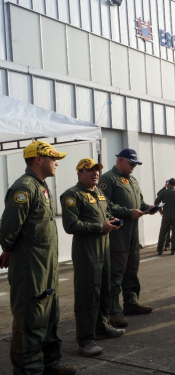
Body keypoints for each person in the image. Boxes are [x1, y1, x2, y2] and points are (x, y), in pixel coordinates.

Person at [0, 141, 77, 375]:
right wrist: (9, 249)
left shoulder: (40, 186)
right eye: (53, 159)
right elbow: (8, 229)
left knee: (49, 316)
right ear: (38, 159)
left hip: (46, 267)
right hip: (31, 268)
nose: (56, 163)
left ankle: (49, 365)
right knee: (31, 320)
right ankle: (29, 370)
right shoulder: (25, 188)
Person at [60, 158, 125, 357]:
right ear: (79, 173)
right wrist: (99, 227)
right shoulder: (72, 195)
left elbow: (104, 215)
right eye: (89, 170)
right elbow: (70, 225)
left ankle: (102, 326)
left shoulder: (99, 193)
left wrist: (111, 222)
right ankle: (85, 340)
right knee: (88, 295)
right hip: (87, 253)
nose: (95, 173)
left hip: (103, 250)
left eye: (97, 170)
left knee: (104, 290)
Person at [98, 149, 156, 328]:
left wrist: (149, 207)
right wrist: (127, 212)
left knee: (132, 267)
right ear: (120, 160)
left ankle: (131, 302)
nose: (133, 167)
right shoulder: (108, 179)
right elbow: (104, 204)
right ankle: (113, 310)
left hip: (132, 231)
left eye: (135, 164)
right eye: (131, 163)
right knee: (116, 271)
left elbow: (139, 202)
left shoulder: (132, 180)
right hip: (118, 232)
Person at [155, 178, 175, 255]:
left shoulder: (164, 192)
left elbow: (156, 201)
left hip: (166, 214)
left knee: (163, 232)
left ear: (168, 183)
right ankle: (174, 250)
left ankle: (160, 250)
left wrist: (160, 210)